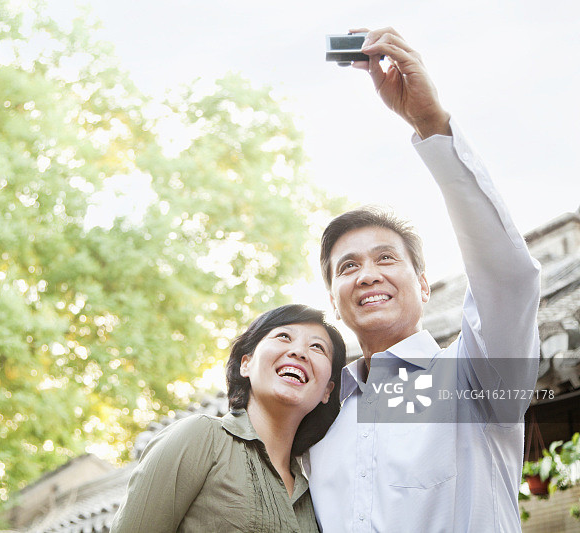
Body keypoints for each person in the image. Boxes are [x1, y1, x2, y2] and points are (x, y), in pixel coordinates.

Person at [306, 28, 541, 532]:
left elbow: (508, 279)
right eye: (348, 266)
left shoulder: (476, 378)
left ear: (424, 285)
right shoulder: (319, 419)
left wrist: (431, 125)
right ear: (334, 300)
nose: (368, 275)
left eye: (386, 258)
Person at [111, 304, 346, 532]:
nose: (299, 352)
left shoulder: (316, 495)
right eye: (284, 336)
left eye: (317, 347)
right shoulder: (201, 437)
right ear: (246, 363)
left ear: (327, 391)